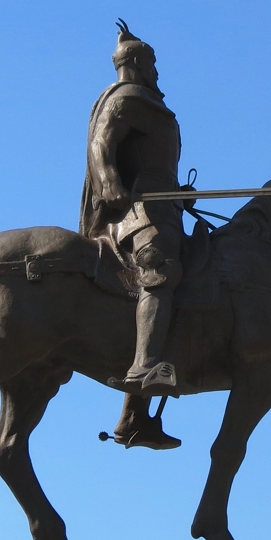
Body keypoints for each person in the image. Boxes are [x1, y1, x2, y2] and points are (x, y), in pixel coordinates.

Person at [80, 20, 187, 398]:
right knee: (161, 269)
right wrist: (110, 183)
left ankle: (136, 417)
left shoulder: (147, 102)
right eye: (153, 63)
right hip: (142, 212)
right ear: (139, 62)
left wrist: (178, 193)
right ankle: (144, 367)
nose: (157, 72)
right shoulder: (129, 98)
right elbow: (101, 143)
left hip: (164, 205)